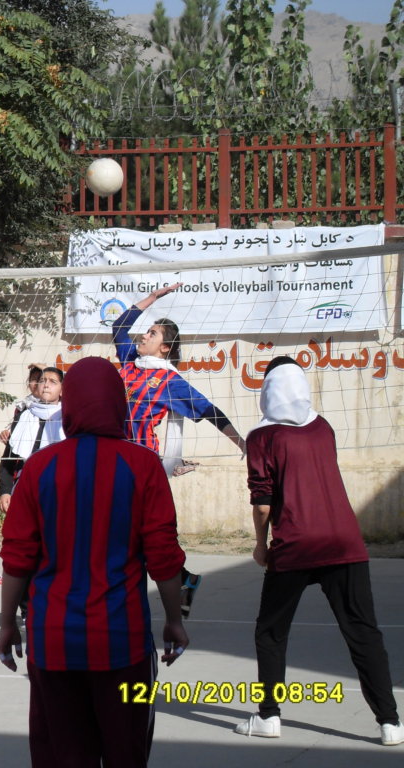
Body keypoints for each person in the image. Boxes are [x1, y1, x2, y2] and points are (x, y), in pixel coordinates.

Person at [0, 356, 189, 768]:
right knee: (126, 753)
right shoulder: (143, 465)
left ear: (70, 406)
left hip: (53, 643)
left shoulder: (39, 467)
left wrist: (7, 622)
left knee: (63, 755)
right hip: (123, 642)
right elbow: (164, 555)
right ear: (118, 404)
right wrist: (175, 619)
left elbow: (17, 557)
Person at [234, 356, 403, 745]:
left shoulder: (262, 437)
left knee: (270, 632)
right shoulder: (323, 427)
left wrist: (260, 545)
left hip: (295, 544)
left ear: (268, 390)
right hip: (344, 541)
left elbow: (263, 502)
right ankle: (390, 723)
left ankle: (268, 717)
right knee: (362, 632)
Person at [111, 283, 246, 615]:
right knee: (128, 534)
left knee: (128, 533)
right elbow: (119, 326)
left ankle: (137, 595)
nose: (144, 335)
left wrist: (243, 444)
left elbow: (210, 411)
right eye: (146, 331)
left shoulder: (169, 382)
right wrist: (153, 298)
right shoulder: (130, 362)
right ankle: (182, 580)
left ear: (164, 347)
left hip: (141, 464)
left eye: (152, 333)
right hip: (112, 459)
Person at [0, 366, 64, 589]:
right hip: (25, 487)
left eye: (53, 381)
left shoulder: (68, 417)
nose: (46, 384)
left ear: (62, 389)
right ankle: (12, 576)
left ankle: (54, 581)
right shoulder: (25, 415)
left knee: (55, 538)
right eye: (43, 380)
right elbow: (8, 458)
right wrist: (5, 491)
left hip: (56, 488)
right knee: (19, 537)